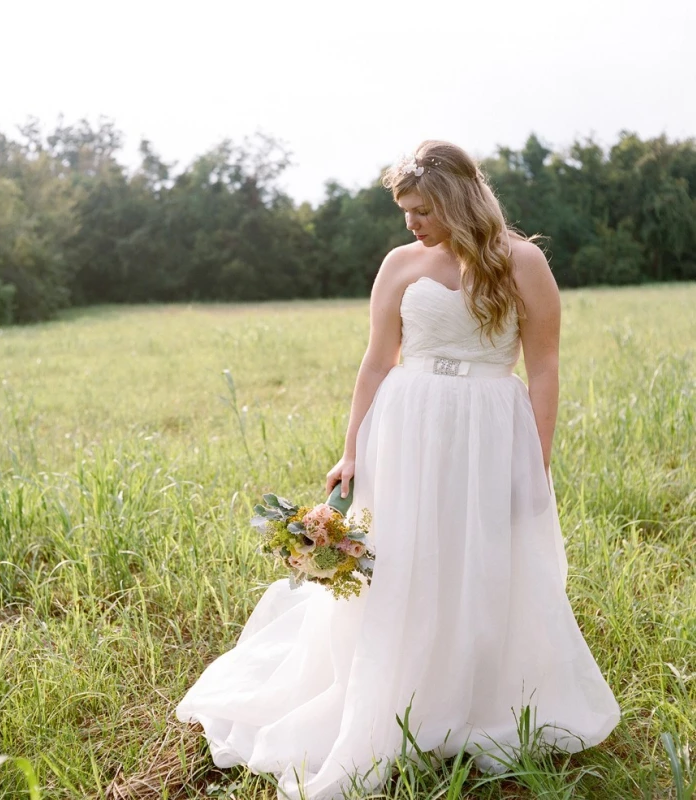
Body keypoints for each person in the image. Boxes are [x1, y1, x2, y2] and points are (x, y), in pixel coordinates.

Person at [174, 140, 621, 799]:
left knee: (479, 558)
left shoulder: (521, 262)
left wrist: (536, 461)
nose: (410, 223)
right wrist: (352, 449)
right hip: (405, 427)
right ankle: (389, 691)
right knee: (399, 559)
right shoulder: (400, 264)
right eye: (405, 211)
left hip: (491, 427)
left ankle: (471, 697)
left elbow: (545, 367)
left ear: (457, 201)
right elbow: (376, 362)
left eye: (421, 210)